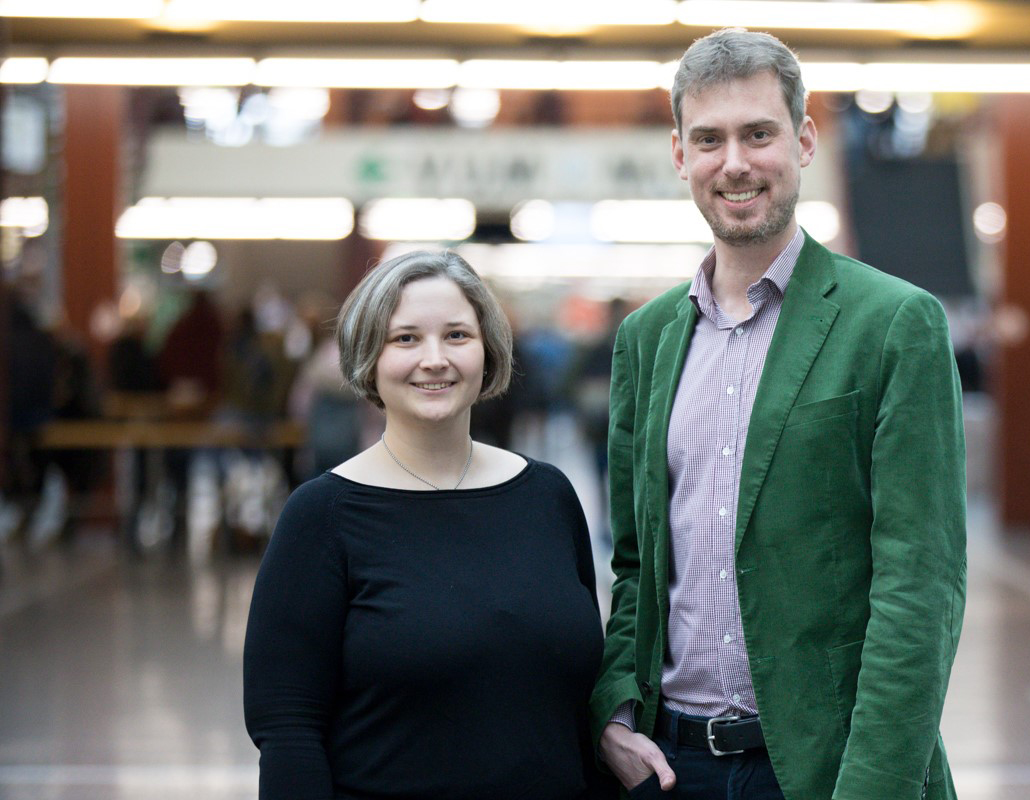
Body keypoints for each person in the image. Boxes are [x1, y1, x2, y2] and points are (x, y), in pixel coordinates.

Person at [589, 28, 967, 800]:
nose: (734, 162)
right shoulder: (647, 340)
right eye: (709, 139)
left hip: (827, 770)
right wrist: (616, 711)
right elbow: (636, 565)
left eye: (758, 134)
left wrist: (873, 787)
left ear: (804, 142)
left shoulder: (894, 324)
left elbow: (920, 586)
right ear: (680, 154)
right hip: (673, 766)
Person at [243, 250, 611, 799]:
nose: (434, 359)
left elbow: (581, 704)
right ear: (368, 355)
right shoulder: (322, 515)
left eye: (457, 335)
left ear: (488, 349)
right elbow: (288, 725)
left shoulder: (546, 496)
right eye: (406, 339)